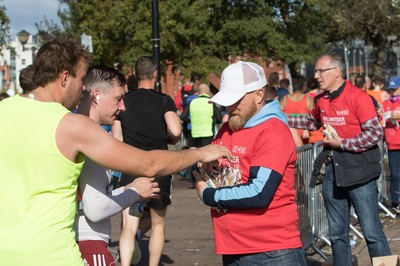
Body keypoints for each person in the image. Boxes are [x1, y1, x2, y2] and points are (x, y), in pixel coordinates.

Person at [0, 37, 231, 266]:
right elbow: (149, 164)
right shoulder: (71, 125)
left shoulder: (4, 110)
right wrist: (200, 153)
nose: (83, 88)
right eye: (81, 79)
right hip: (52, 255)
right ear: (64, 78)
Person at [193, 61, 306, 266]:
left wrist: (208, 195)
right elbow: (211, 167)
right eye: (227, 101)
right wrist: (199, 164)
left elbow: (259, 192)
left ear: (259, 95)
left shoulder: (272, 131)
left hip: (271, 250)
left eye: (236, 100)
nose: (230, 107)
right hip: (232, 247)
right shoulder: (228, 128)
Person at [288, 53, 391, 265]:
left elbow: (374, 134)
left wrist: (342, 143)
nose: (316, 76)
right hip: (333, 173)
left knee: (372, 233)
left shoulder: (358, 98)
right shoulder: (322, 100)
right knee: (337, 235)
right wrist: (279, 117)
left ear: (336, 72)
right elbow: (310, 121)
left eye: (320, 71)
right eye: (315, 71)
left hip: (360, 172)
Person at [73, 64, 160, 266]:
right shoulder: (90, 139)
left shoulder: (70, 129)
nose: (123, 107)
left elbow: (88, 195)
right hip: (88, 243)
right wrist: (135, 193)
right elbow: (95, 209)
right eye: (119, 99)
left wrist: (125, 189)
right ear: (96, 96)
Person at [113, 56, 182, 266]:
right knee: (158, 224)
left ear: (134, 75)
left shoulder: (123, 101)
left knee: (129, 226)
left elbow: (117, 139)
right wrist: (168, 138)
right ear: (155, 75)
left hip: (131, 168)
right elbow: (176, 131)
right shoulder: (164, 100)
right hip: (159, 169)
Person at [382, 76, 400, 214]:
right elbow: (381, 120)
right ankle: (395, 202)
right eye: (391, 89)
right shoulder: (385, 103)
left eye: (395, 88)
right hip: (392, 144)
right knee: (395, 175)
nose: (393, 91)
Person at [280, 76, 314, 145]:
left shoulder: (284, 99)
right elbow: (314, 119)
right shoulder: (308, 99)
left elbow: (280, 117)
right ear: (304, 86)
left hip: (289, 139)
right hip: (305, 141)